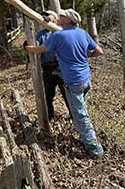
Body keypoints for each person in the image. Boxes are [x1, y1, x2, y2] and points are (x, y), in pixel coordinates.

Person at [23, 8, 104, 158]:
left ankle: (95, 149)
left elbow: (40, 49)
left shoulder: (59, 35)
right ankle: (84, 136)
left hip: (74, 80)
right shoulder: (82, 33)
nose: (59, 16)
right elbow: (99, 51)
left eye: (62, 15)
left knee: (81, 115)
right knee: (80, 109)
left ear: (68, 20)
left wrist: (27, 47)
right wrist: (85, 56)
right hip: (86, 78)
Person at [34, 10, 70, 121]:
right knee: (48, 96)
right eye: (44, 15)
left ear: (55, 18)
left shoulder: (61, 31)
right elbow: (37, 48)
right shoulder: (41, 34)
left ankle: (74, 116)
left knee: (67, 94)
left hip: (62, 68)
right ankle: (49, 117)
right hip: (48, 69)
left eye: (49, 15)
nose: (46, 17)